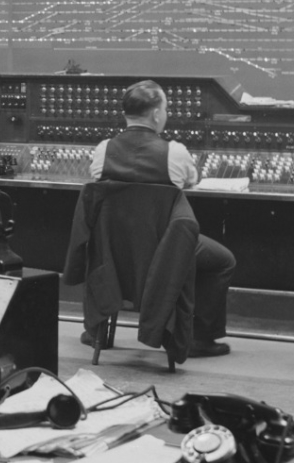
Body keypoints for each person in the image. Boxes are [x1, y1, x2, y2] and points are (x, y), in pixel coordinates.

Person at [85, 79, 236, 357]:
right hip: (163, 251)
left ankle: (96, 329)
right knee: (223, 260)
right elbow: (191, 181)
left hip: (114, 253)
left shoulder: (103, 150)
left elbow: (99, 188)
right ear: (156, 114)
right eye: (165, 109)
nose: (166, 114)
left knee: (106, 247)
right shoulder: (174, 153)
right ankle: (199, 338)